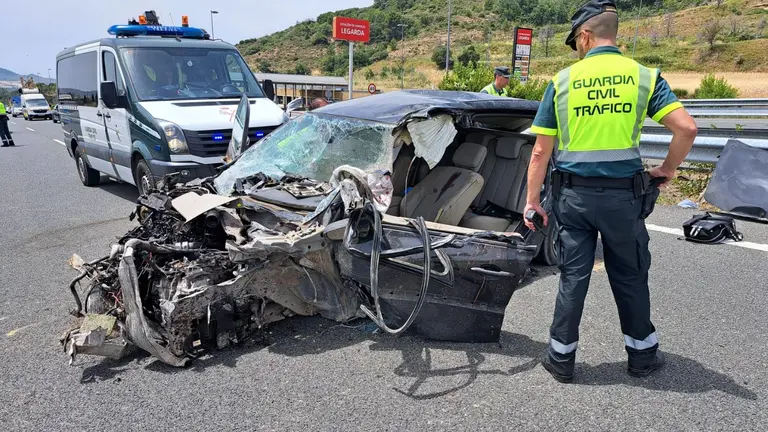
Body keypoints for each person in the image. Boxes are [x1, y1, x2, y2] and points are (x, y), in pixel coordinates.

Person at [523, 0, 698, 383]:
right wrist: (667, 170)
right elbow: (686, 128)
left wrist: (532, 201)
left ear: (585, 35)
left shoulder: (562, 82)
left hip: (573, 199)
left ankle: (561, 360)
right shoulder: (645, 77)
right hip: (625, 199)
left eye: (575, 42)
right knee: (631, 276)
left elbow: (540, 151)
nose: (577, 49)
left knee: (573, 277)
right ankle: (642, 357)